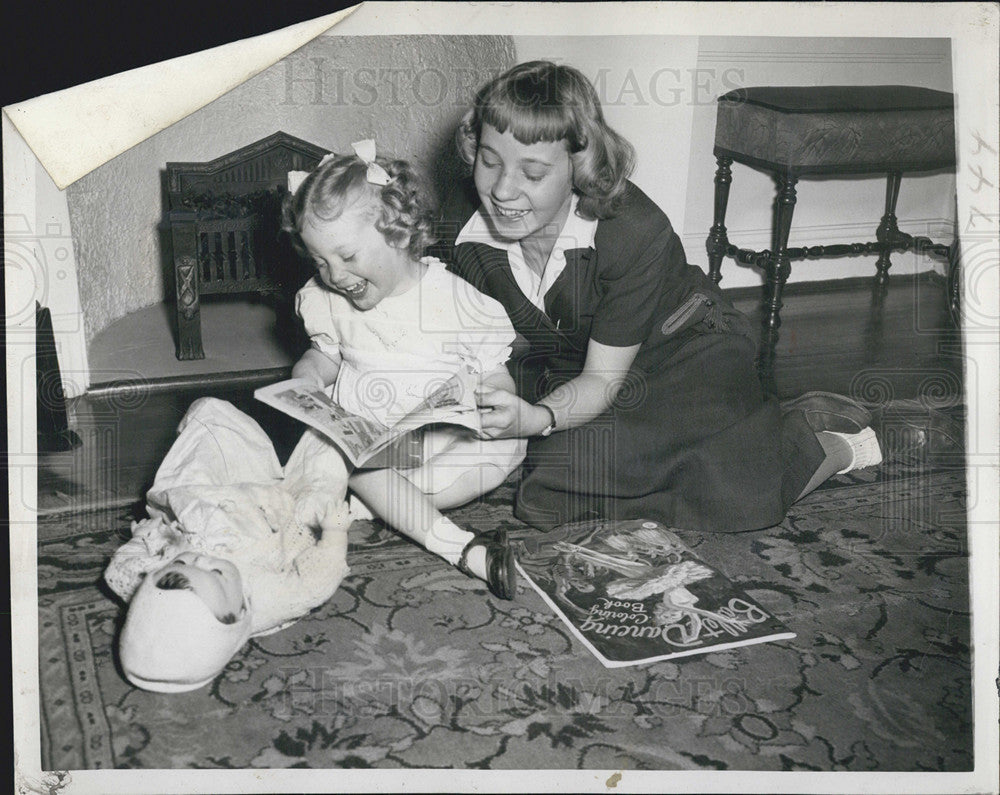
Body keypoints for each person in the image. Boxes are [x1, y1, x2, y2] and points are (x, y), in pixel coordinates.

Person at [435, 61, 883, 534]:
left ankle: (819, 443)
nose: (503, 189)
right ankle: (744, 435)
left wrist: (542, 416)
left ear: (579, 167)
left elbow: (601, 382)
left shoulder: (634, 230)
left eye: (533, 172)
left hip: (688, 352)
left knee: (734, 497)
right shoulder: (461, 221)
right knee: (551, 487)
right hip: (583, 366)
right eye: (489, 161)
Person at [282, 140, 527, 599]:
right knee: (352, 464)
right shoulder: (327, 301)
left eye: (347, 257)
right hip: (372, 444)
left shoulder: (455, 301)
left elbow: (495, 374)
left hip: (444, 443)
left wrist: (497, 401)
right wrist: (307, 376)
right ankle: (462, 548)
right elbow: (325, 356)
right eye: (320, 261)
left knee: (501, 447)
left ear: (397, 234)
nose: (334, 275)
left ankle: (370, 505)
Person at [104, 397, 352, 693]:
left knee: (208, 415)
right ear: (240, 611)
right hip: (282, 519)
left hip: (206, 504)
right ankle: (339, 419)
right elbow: (318, 580)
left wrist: (144, 536)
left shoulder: (139, 583)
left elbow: (120, 567)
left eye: (181, 562)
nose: (200, 559)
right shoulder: (269, 599)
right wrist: (334, 533)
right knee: (329, 462)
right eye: (218, 574)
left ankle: (223, 433)